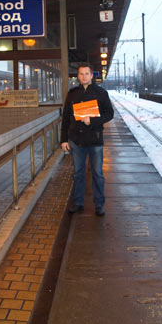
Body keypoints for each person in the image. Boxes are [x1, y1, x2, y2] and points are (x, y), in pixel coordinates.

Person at [60, 63, 114, 216]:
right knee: (78, 173)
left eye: (86, 74)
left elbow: (109, 113)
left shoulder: (101, 93)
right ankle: (78, 203)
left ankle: (99, 204)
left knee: (98, 173)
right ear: (78, 76)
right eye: (81, 74)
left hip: (95, 139)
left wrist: (93, 121)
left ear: (92, 76)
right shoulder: (72, 94)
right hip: (76, 140)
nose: (84, 76)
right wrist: (64, 140)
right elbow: (65, 118)